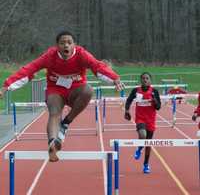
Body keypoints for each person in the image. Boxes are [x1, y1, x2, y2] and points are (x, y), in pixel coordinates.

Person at [0, 30, 124, 162]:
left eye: (69, 43)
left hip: (76, 90)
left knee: (88, 91)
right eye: (62, 43)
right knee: (54, 113)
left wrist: (114, 78)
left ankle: (65, 123)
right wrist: (6, 86)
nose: (66, 46)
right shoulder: (49, 56)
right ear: (57, 45)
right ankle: (52, 143)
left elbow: (98, 66)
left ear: (74, 45)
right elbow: (29, 69)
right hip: (55, 91)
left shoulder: (82, 55)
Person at [124, 72, 161, 174]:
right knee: (142, 134)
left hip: (151, 120)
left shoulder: (154, 91)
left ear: (150, 80)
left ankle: (145, 164)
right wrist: (127, 110)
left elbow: (158, 107)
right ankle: (140, 148)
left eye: (147, 78)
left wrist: (154, 100)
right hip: (140, 119)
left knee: (148, 144)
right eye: (143, 78)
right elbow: (129, 100)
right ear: (141, 80)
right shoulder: (136, 91)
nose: (145, 80)